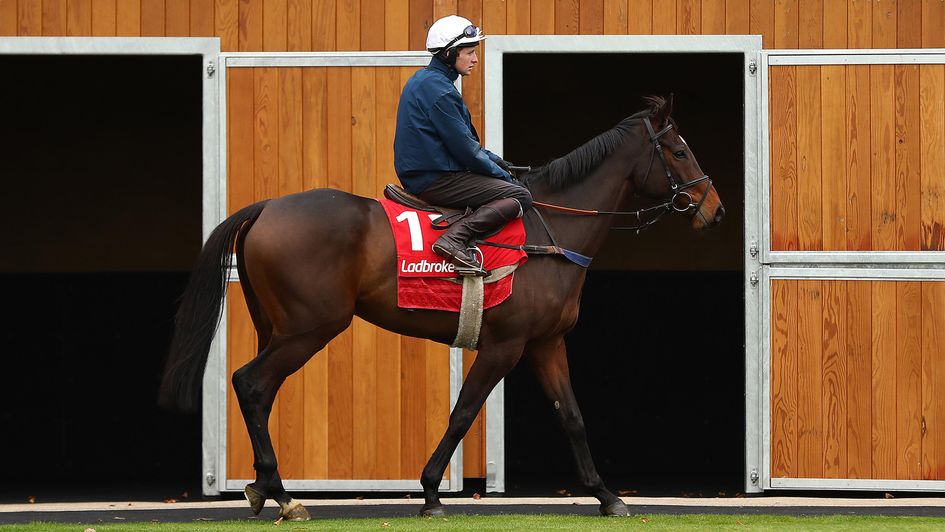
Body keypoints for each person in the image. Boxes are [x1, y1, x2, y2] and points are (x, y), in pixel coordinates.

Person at [394, 15, 533, 275]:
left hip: (429, 174)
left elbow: (465, 144)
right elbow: (466, 152)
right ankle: (454, 239)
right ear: (449, 54)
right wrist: (505, 177)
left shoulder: (425, 81)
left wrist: (497, 162)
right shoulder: (441, 91)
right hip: (436, 179)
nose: (475, 59)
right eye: (469, 52)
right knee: (519, 195)